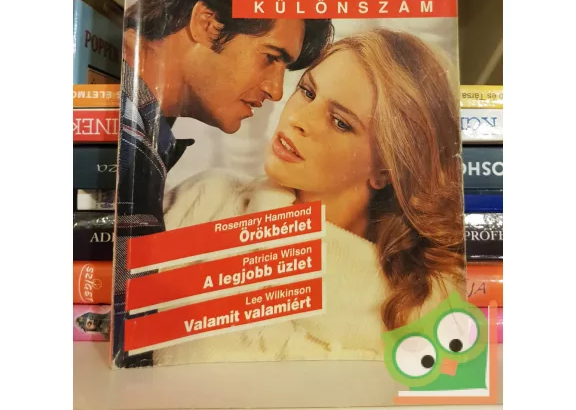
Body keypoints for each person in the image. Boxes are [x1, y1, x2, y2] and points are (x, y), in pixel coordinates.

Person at [157, 28, 465, 364]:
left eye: (340, 122)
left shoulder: (429, 305)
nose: (298, 119)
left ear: (386, 170)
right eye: (307, 92)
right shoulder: (204, 201)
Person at [114, 0, 333, 368]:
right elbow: (130, 344)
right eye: (270, 57)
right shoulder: (128, 133)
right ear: (206, 23)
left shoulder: (144, 127)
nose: (275, 91)